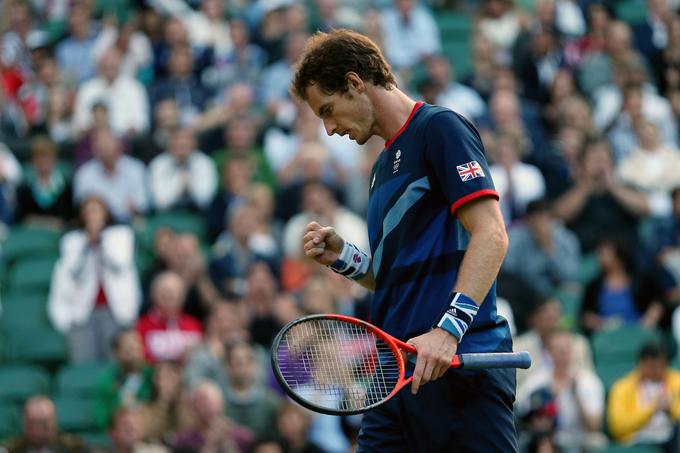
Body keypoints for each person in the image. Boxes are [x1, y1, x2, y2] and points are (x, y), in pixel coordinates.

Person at [292, 29, 516, 451]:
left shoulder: (441, 129)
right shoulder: (380, 169)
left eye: (328, 109)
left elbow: (492, 234)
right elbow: (392, 277)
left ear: (355, 83)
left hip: (458, 367)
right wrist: (345, 257)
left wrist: (447, 331)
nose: (329, 129)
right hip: (395, 376)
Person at [48, 196, 142, 363]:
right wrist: (87, 244)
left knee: (114, 362)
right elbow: (75, 272)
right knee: (83, 362)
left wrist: (100, 240)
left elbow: (119, 264)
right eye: (88, 211)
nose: (92, 216)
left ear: (105, 213)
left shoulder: (120, 235)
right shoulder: (72, 240)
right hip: (83, 310)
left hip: (115, 309)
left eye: (96, 210)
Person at [608, 342, 680, 450]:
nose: (658, 370)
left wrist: (670, 410)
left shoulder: (676, 382)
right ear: (641, 364)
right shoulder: (622, 387)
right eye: (653, 366)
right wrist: (651, 410)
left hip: (670, 437)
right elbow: (617, 427)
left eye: (662, 366)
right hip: (638, 439)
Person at [0, 396, 88, 453]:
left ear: (54, 422)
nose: (38, 430)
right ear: (24, 423)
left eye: (44, 425)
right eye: (32, 424)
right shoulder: (10, 448)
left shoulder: (73, 448)